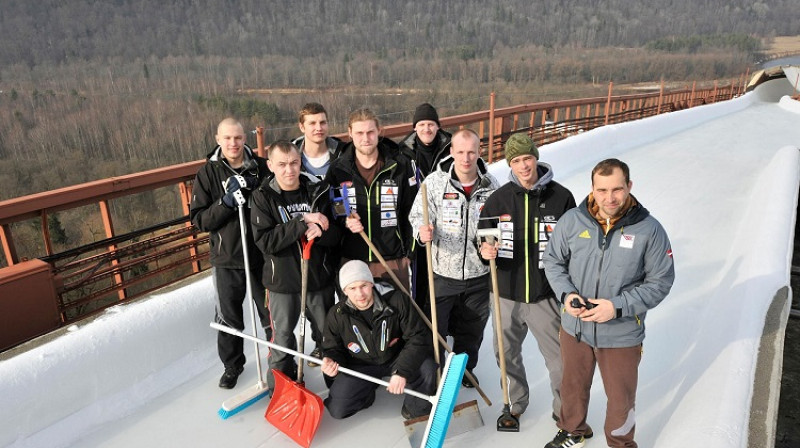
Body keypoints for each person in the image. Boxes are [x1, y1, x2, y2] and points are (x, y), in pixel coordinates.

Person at [542, 158, 675, 448]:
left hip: (621, 331)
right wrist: (567, 295)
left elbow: (661, 281)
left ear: (629, 186)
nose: (609, 198)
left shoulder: (649, 230)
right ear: (592, 189)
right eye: (602, 190)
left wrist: (616, 306)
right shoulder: (572, 221)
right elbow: (553, 261)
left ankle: (620, 443)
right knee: (572, 386)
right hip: (575, 326)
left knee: (620, 396)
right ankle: (573, 431)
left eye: (616, 189)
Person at [478, 132, 577, 424]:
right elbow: (481, 238)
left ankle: (565, 413)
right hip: (505, 293)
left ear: (536, 158)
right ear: (511, 163)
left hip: (545, 295)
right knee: (505, 354)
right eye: (517, 160)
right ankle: (515, 402)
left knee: (559, 360)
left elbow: (575, 245)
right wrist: (485, 249)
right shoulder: (498, 200)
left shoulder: (561, 197)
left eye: (528, 158)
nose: (523, 166)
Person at [408, 128, 499, 385]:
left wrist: (491, 245)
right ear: (451, 152)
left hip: (478, 273)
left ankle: (465, 371)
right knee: (435, 327)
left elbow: (497, 225)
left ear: (479, 152)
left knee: (471, 329)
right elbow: (417, 216)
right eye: (460, 152)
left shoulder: (491, 186)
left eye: (471, 152)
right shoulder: (434, 183)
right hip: (442, 273)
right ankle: (434, 371)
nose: (466, 158)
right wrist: (421, 231)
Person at [250, 140, 341, 386]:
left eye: (293, 163)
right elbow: (266, 241)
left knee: (327, 335)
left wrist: (322, 233)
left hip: (317, 279)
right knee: (282, 339)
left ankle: (337, 386)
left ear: (300, 161)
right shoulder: (262, 197)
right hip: (282, 283)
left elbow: (336, 236)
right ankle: (280, 388)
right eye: (282, 165)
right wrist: (302, 221)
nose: (289, 170)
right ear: (270, 165)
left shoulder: (318, 190)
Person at [189, 118, 271, 389]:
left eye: (238, 138)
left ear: (244, 138)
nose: (233, 144)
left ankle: (279, 359)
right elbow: (200, 220)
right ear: (218, 139)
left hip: (262, 253)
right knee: (228, 315)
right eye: (227, 139)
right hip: (227, 258)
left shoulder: (260, 168)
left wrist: (253, 192)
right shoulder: (208, 173)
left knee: (269, 310)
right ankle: (232, 364)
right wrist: (225, 203)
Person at [320, 260, 437, 419]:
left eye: (364, 286)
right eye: (352, 288)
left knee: (427, 369)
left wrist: (401, 371)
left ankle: (414, 409)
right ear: (344, 290)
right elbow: (332, 348)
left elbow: (417, 337)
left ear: (371, 284)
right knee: (338, 409)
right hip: (361, 364)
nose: (359, 294)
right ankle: (367, 393)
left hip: (396, 357)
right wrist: (332, 361)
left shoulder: (397, 300)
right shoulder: (337, 314)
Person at [325, 108, 417, 290]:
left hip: (392, 259)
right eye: (359, 133)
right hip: (352, 259)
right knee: (358, 317)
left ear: (379, 132)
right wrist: (345, 219)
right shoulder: (338, 169)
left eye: (370, 132)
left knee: (398, 315)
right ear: (350, 133)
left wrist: (409, 253)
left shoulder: (399, 165)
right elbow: (334, 207)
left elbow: (413, 211)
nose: (365, 138)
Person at [398, 103, 453, 308]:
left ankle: (444, 327)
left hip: (447, 221)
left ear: (438, 126)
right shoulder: (404, 153)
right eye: (421, 124)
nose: (426, 129)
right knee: (420, 279)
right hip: (418, 224)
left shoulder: (450, 149)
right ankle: (423, 326)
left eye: (431, 124)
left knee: (445, 279)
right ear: (415, 127)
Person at [291, 102, 344, 179]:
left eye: (322, 123)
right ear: (302, 127)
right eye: (312, 123)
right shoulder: (289, 157)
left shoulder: (344, 154)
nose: (319, 128)